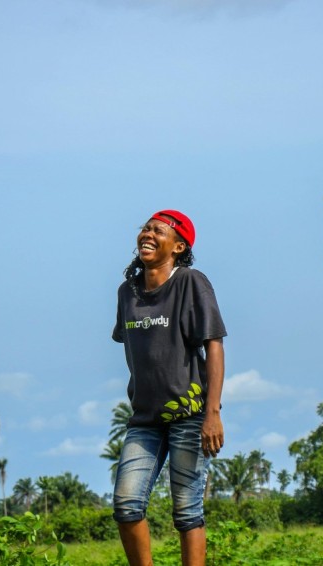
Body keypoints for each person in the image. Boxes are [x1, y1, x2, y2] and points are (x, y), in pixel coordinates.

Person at [112, 209, 227, 566]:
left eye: (158, 231)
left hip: (190, 416)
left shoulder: (191, 282)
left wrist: (212, 413)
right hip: (144, 420)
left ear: (178, 246)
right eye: (145, 229)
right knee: (126, 506)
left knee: (187, 511)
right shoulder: (127, 292)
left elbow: (214, 346)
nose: (148, 234)